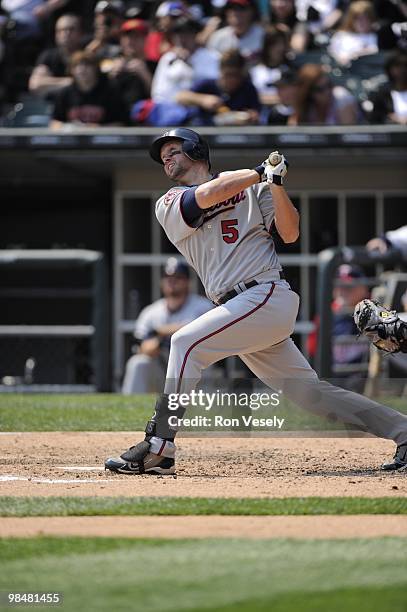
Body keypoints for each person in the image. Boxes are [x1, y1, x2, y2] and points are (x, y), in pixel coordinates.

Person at [105, 127, 407, 475]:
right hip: (239, 309)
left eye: (173, 150)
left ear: (194, 150)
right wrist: (259, 172)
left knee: (184, 343)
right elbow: (204, 197)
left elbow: (290, 232)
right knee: (310, 395)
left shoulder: (254, 188)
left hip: (265, 295)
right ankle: (402, 431)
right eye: (163, 157)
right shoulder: (169, 202)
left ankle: (159, 444)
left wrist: (275, 184)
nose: (167, 159)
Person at [122, 258, 212, 394]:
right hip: (161, 370)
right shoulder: (151, 312)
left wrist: (160, 332)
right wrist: (173, 334)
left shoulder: (202, 306)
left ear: (187, 281)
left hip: (195, 371)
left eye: (178, 277)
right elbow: (144, 348)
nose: (172, 281)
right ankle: (129, 410)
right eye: (168, 277)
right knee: (138, 363)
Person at [307, 264, 370, 391]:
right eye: (339, 286)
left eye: (348, 287)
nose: (342, 291)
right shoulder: (327, 313)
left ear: (363, 288)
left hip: (363, 378)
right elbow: (312, 350)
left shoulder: (373, 311)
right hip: (334, 377)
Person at [176, 49, 260, 125]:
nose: (232, 80)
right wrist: (202, 100)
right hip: (206, 133)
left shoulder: (248, 88)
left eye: (236, 75)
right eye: (228, 75)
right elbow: (180, 97)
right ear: (220, 71)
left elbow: (255, 112)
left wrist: (251, 117)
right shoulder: (206, 85)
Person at [50, 50, 127, 127]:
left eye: (87, 65)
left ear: (96, 69)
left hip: (103, 138)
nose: (82, 69)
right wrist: (69, 128)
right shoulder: (65, 93)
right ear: (71, 70)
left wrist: (97, 129)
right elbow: (54, 123)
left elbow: (120, 124)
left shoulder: (110, 92)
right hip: (72, 137)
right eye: (77, 65)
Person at [151, 17, 219, 103]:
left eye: (187, 34)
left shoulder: (212, 57)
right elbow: (158, 92)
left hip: (201, 107)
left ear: (195, 35)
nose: (182, 38)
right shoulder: (168, 58)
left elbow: (213, 84)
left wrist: (189, 63)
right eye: (178, 34)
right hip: (171, 108)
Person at [29, 13, 84, 99]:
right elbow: (35, 84)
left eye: (71, 29)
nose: (66, 33)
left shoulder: (87, 55)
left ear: (80, 33)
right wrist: (71, 82)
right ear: (56, 35)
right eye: (61, 30)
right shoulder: (48, 56)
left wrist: (51, 82)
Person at [291, 63, 358, 125]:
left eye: (329, 85)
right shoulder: (305, 104)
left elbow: (347, 135)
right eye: (320, 89)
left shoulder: (341, 98)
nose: (327, 92)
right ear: (309, 92)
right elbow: (293, 130)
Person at [108, 18, 152, 112]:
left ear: (145, 39)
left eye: (136, 36)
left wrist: (145, 74)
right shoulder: (111, 63)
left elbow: (160, 97)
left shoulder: (154, 65)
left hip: (144, 120)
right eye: (127, 37)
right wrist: (111, 75)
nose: (131, 41)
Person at [207, 0, 265, 65]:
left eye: (242, 8)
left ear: (252, 12)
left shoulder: (263, 36)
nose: (236, 13)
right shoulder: (217, 37)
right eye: (232, 8)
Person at [328, 0, 379, 67]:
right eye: (357, 18)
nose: (361, 22)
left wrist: (355, 55)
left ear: (371, 19)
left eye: (365, 18)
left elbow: (374, 53)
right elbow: (331, 53)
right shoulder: (340, 36)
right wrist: (340, 59)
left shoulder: (375, 36)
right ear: (351, 20)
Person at [368, 49, 407, 125]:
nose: (403, 70)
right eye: (398, 65)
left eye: (406, 65)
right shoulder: (382, 94)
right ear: (390, 69)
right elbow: (375, 120)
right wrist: (389, 119)